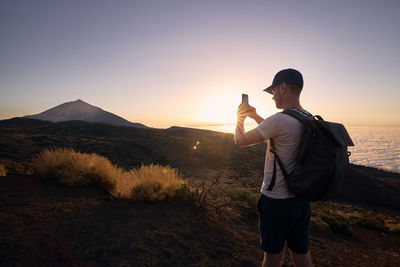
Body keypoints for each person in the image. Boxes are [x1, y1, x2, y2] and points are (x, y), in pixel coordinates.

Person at [235, 68, 313, 267]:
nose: (272, 97)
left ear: (283, 87)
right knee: (301, 253)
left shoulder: (279, 120)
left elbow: (240, 140)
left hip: (276, 201)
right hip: (301, 199)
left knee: (272, 257)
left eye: (273, 92)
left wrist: (240, 118)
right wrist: (256, 116)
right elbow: (276, 134)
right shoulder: (308, 118)